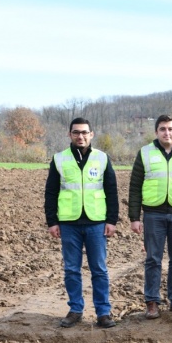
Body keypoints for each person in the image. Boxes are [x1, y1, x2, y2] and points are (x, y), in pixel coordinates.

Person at [44, 117, 119, 329]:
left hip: (96, 222)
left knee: (99, 269)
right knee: (71, 269)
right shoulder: (59, 159)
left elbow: (111, 191)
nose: (80, 136)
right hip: (69, 223)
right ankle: (76, 309)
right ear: (70, 135)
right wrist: (52, 221)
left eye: (85, 132)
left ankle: (103, 312)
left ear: (91, 134)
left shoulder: (102, 158)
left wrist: (111, 220)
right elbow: (51, 192)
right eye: (76, 132)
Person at [128, 114, 172, 319]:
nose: (166, 132)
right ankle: (152, 302)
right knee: (153, 259)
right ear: (156, 132)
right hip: (153, 214)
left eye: (170, 129)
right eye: (162, 129)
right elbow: (134, 187)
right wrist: (134, 217)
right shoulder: (145, 153)